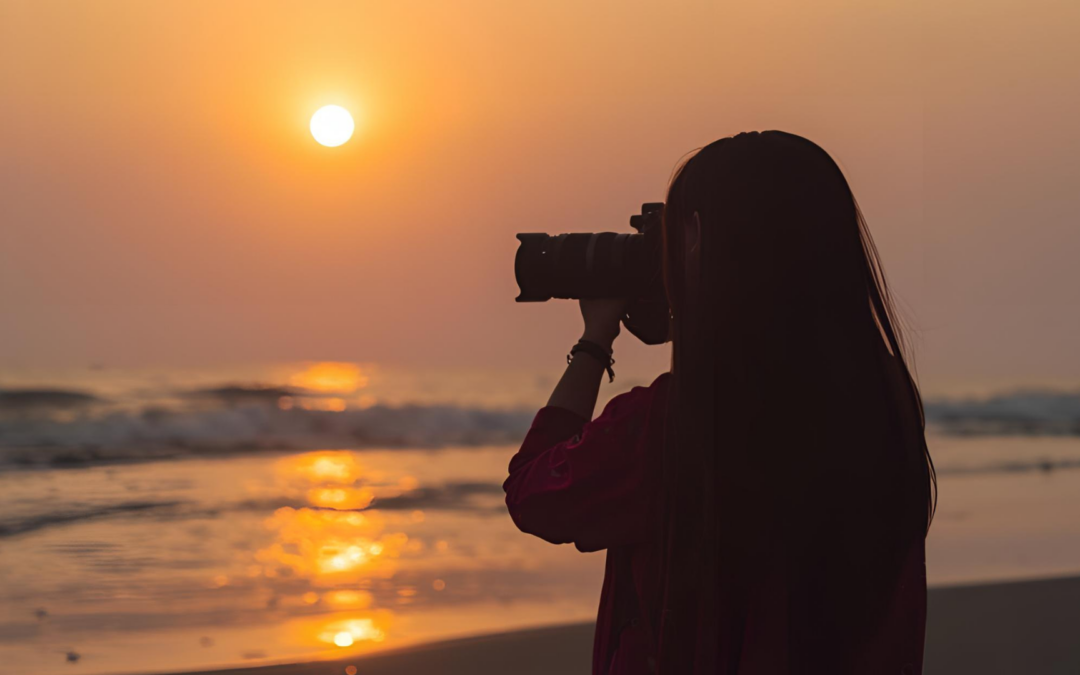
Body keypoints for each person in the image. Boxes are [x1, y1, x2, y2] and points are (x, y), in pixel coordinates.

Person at [503, 131, 937, 675]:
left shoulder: (670, 428)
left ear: (698, 237)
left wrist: (595, 340)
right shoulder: (883, 407)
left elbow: (534, 491)